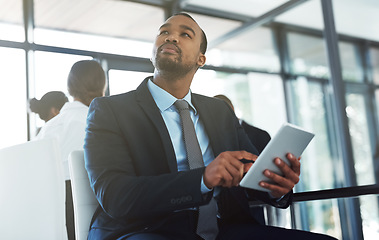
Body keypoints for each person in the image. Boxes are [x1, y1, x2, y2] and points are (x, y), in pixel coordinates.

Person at [84, 13, 336, 240]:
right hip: (146, 230)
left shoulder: (220, 112)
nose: (171, 37)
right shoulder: (110, 111)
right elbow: (115, 196)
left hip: (225, 229)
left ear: (201, 59)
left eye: (185, 34)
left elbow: (250, 168)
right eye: (164, 32)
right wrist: (202, 179)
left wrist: (275, 186)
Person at [36, 60, 106, 240]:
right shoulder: (99, 122)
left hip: (46, 212)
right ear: (102, 86)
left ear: (70, 87)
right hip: (88, 212)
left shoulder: (47, 128)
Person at [213, 94, 271, 225]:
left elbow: (266, 172)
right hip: (225, 210)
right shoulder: (214, 136)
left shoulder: (259, 135)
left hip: (255, 205)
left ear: (231, 110)